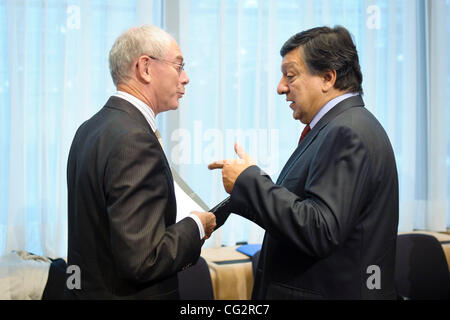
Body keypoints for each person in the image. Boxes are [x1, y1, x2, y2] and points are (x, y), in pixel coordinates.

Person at [209, 26, 399, 299]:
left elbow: (320, 230)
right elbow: (304, 212)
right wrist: (247, 185)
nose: (280, 87)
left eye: (290, 75)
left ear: (327, 77)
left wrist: (250, 181)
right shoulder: (340, 126)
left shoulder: (346, 132)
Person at [65, 25, 216, 300]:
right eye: (179, 66)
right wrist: (196, 225)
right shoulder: (133, 139)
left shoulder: (90, 128)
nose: (186, 79)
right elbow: (144, 259)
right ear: (145, 67)